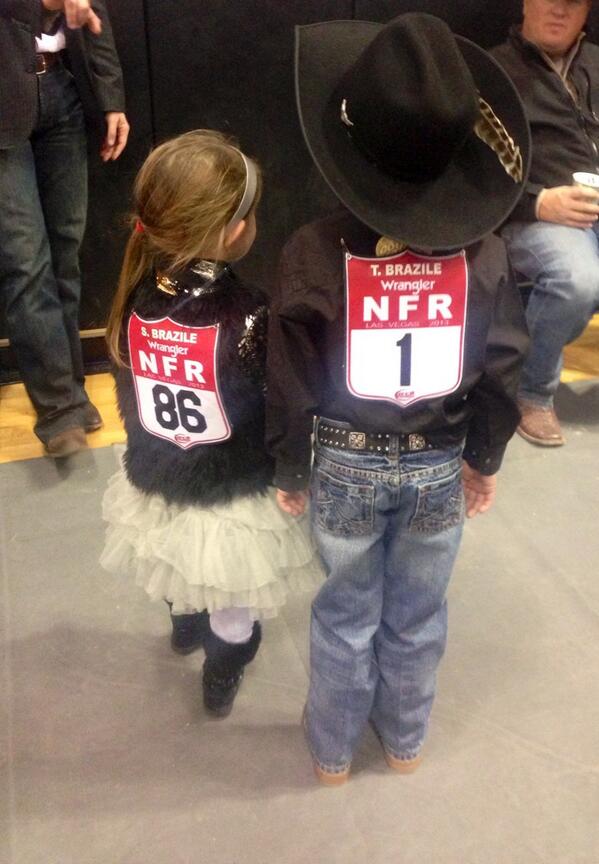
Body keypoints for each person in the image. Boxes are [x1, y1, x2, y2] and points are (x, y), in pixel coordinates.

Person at [266, 13, 531, 785]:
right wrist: (483, 456)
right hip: (438, 466)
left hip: (343, 465)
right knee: (418, 612)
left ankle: (332, 754)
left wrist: (289, 466)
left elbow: (290, 374)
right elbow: (504, 362)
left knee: (345, 612)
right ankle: (405, 742)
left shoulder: (310, 251)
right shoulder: (484, 256)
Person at [100, 130, 322, 718]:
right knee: (233, 595)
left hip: (161, 472)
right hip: (231, 486)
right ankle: (223, 667)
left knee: (175, 555)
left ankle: (183, 624)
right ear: (234, 231)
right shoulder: (251, 313)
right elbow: (277, 403)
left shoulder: (134, 297)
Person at [0, 0, 130, 457]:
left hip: (62, 87)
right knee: (24, 259)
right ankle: (58, 408)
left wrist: (111, 98)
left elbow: (93, 10)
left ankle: (69, 388)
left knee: (65, 251)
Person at [492, 0, 599, 446]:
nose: (559, 10)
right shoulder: (493, 71)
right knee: (576, 280)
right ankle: (531, 393)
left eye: (571, 2)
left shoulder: (595, 63)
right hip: (534, 215)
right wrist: (538, 203)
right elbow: (472, 171)